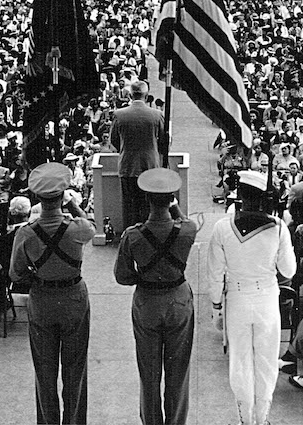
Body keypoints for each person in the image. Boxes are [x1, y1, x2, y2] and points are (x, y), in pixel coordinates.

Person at [207, 170, 296, 425]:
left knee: (240, 363)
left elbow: (214, 275)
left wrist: (216, 306)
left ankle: (244, 420)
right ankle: (262, 418)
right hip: (267, 298)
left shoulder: (223, 227)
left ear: (240, 196)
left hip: (236, 298)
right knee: (266, 363)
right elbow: (289, 270)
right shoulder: (277, 227)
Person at [9, 163, 95, 425]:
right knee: (75, 369)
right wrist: (71, 204)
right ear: (63, 196)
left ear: (36, 198)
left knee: (44, 373)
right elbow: (90, 225)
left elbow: (15, 274)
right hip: (73, 298)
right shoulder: (77, 228)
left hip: (43, 300)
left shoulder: (26, 233)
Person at [114, 168, 197, 425]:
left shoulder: (133, 235)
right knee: (178, 371)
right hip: (178, 300)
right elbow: (186, 221)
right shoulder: (187, 230)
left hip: (147, 302)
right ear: (172, 197)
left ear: (146, 200)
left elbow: (122, 276)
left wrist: (145, 278)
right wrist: (174, 206)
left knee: (148, 372)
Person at [111, 80, 166, 230]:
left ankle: (130, 239)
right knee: (149, 208)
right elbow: (164, 143)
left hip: (127, 166)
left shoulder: (119, 114)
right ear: (146, 96)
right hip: (150, 165)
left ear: (129, 95)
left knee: (129, 208)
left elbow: (114, 140)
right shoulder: (157, 115)